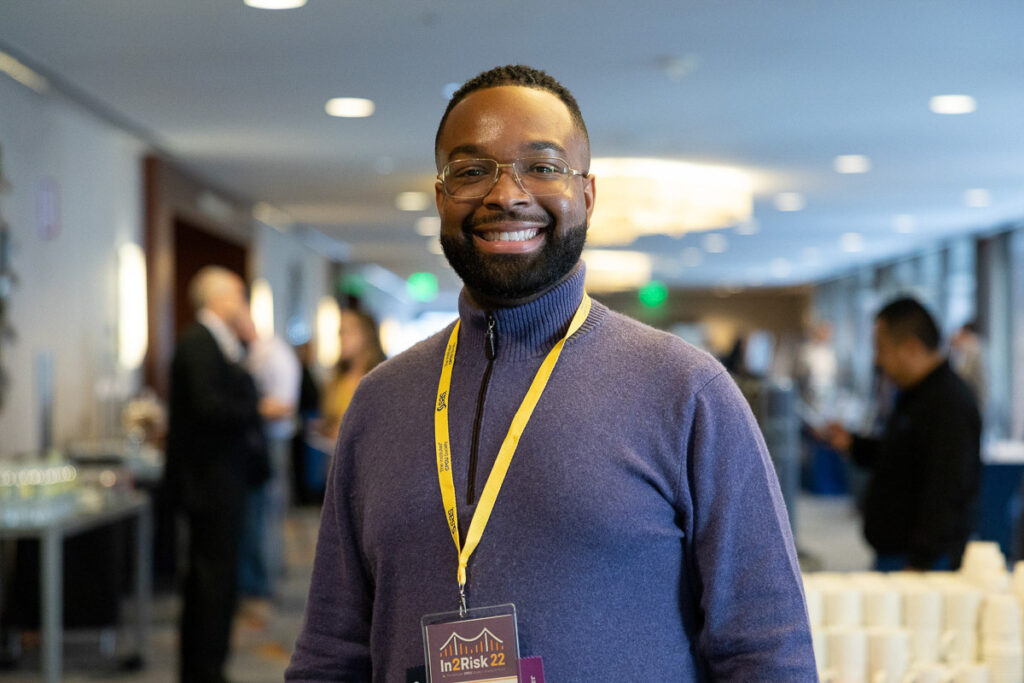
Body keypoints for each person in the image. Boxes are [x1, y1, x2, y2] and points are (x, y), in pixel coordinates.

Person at [286, 65, 815, 681]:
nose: (506, 194)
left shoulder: (685, 391)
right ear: (441, 198)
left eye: (541, 167)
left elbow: (765, 648)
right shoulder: (381, 402)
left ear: (587, 196)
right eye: (472, 170)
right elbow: (332, 647)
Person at [164, 266, 283, 683]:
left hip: (221, 480)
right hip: (208, 483)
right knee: (210, 582)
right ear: (217, 299)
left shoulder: (221, 342)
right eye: (237, 295)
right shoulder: (198, 342)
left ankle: (208, 666)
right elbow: (207, 407)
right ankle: (203, 670)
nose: (243, 303)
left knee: (216, 580)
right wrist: (258, 410)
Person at [825, 297, 981, 571]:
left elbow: (947, 489)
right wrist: (853, 444)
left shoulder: (948, 403)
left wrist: (919, 563)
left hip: (921, 563)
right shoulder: (914, 395)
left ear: (910, 347)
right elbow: (898, 456)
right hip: (898, 554)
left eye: (881, 349)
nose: (878, 360)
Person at [235, 309, 300, 617]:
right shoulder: (254, 354)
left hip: (271, 442)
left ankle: (262, 584)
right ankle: (256, 580)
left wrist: (248, 407)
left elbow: (284, 407)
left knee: (266, 515)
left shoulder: (275, 355)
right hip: (259, 442)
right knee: (259, 515)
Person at [317, 308, 385, 440]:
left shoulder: (382, 381)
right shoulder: (336, 381)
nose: (341, 338)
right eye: (339, 333)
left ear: (366, 335)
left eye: (347, 332)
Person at [950, 320, 987, 411]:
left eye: (960, 333)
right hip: (976, 401)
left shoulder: (972, 349)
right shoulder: (978, 346)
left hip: (972, 402)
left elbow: (961, 376)